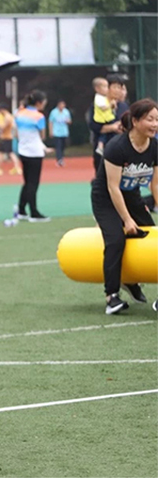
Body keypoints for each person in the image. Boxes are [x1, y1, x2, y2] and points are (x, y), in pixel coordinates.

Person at [90, 98, 157, 315]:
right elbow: (112, 187)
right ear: (136, 121)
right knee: (116, 240)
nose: (155, 124)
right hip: (106, 199)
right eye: (150, 119)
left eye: (157, 120)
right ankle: (112, 296)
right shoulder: (116, 147)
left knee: (152, 238)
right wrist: (127, 220)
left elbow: (155, 184)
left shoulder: (155, 146)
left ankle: (132, 281)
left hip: (132, 196)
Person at [15, 90, 53, 223]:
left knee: (27, 182)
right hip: (35, 152)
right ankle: (34, 212)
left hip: (23, 150)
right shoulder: (39, 116)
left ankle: (21, 210)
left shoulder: (19, 113)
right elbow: (42, 136)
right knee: (33, 183)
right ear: (38, 103)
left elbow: (16, 133)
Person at [91, 75, 125, 172]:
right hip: (104, 150)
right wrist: (113, 127)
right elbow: (94, 126)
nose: (118, 90)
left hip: (121, 149)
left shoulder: (124, 106)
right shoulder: (97, 106)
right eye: (115, 87)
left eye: (120, 88)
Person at [49, 100, 72, 167]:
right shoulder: (53, 112)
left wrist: (68, 121)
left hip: (64, 132)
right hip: (56, 132)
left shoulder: (66, 112)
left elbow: (70, 121)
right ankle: (59, 160)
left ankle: (61, 158)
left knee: (63, 146)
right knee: (58, 146)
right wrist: (51, 131)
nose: (62, 106)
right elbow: (50, 122)